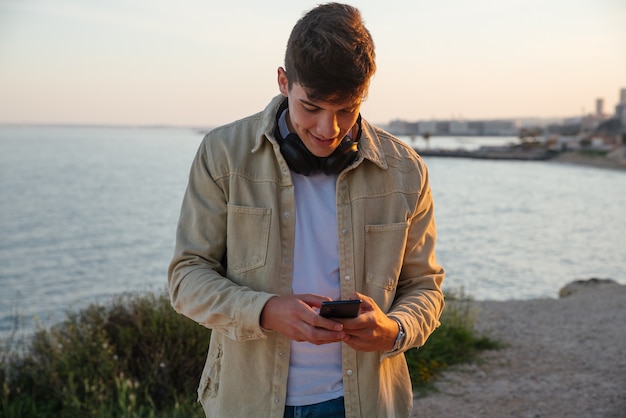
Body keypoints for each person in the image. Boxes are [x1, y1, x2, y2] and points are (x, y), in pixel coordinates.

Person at [168, 3, 444, 417]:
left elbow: (425, 287)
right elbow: (186, 278)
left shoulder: (405, 171)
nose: (328, 130)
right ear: (283, 81)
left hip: (363, 404)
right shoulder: (222, 154)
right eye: (311, 107)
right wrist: (263, 311)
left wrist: (395, 329)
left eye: (346, 110)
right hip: (248, 403)